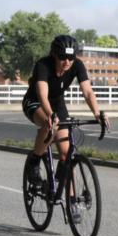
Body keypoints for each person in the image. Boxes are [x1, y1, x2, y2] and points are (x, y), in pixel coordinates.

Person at [22, 35, 107, 223]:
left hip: (57, 102)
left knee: (67, 155)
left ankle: (71, 200)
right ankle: (35, 161)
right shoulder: (43, 65)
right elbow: (43, 95)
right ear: (54, 55)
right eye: (62, 58)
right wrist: (51, 115)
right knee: (48, 123)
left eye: (71, 58)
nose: (67, 62)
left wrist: (97, 113)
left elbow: (87, 91)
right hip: (36, 101)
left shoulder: (77, 65)